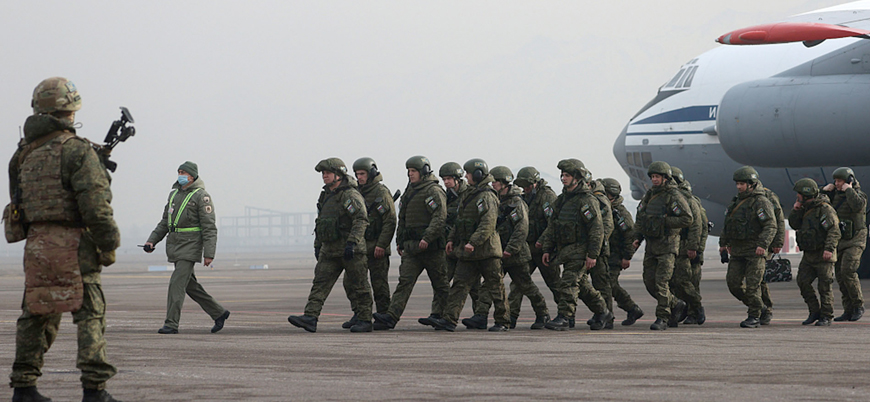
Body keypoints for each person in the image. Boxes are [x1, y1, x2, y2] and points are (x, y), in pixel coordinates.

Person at [9, 77, 122, 402]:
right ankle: (94, 389)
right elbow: (96, 206)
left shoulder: (23, 155)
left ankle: (24, 387)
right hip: (75, 246)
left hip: (38, 246)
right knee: (90, 313)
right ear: (70, 111)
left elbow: (19, 201)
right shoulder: (76, 151)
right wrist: (108, 243)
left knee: (36, 313)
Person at [288, 158, 373, 333]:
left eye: (327, 173)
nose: (324, 176)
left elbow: (361, 219)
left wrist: (352, 242)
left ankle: (365, 319)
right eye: (323, 173)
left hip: (351, 251)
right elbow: (321, 222)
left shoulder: (349, 195)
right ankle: (310, 317)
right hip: (330, 249)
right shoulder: (326, 195)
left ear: (338, 175)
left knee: (359, 286)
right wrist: (318, 244)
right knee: (320, 283)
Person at [145, 161, 229, 335]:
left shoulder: (201, 196)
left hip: (191, 246)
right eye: (179, 172)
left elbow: (209, 227)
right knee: (190, 285)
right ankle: (219, 312)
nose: (180, 175)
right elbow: (165, 222)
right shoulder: (174, 195)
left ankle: (171, 324)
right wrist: (152, 241)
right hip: (175, 244)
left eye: (184, 172)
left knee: (176, 283)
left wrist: (209, 253)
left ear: (192, 176)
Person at [462, 166, 550, 330]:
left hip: (515, 255)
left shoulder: (516, 203)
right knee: (489, 285)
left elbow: (521, 229)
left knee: (525, 285)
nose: (492, 184)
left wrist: (510, 249)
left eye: (495, 181)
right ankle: (481, 316)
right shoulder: (495, 200)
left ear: (504, 183)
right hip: (498, 252)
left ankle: (542, 313)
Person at [431, 159, 509, 331]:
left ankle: (502, 321)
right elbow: (460, 222)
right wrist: (452, 239)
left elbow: (488, 223)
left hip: (487, 251)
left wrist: (473, 242)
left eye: (468, 173)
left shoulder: (487, 196)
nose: (466, 176)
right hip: (469, 251)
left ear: (478, 174)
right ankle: (449, 319)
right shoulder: (470, 195)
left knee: (496, 287)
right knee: (459, 285)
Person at [373, 156, 449, 330]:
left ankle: (440, 315)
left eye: (413, 171)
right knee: (404, 282)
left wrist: (427, 238)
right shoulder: (410, 192)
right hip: (412, 248)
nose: (410, 174)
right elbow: (403, 218)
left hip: (432, 248)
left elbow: (439, 217)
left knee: (440, 284)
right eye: (409, 171)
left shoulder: (433, 191)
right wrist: (400, 241)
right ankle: (391, 317)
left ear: (423, 171)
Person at [541, 159, 612, 331]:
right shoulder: (561, 200)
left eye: (567, 175)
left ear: (577, 178)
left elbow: (597, 229)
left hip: (581, 250)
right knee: (583, 286)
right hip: (566, 250)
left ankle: (565, 317)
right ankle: (602, 311)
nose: (563, 178)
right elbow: (552, 226)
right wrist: (546, 248)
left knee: (569, 282)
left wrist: (593, 254)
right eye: (562, 175)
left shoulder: (587, 201)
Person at [632, 161, 693, 330]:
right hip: (651, 246)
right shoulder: (649, 195)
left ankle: (663, 317)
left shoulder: (673, 196)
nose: (654, 179)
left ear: (665, 178)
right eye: (652, 177)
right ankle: (676, 303)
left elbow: (687, 218)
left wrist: (664, 221)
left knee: (661, 282)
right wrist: (637, 237)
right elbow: (641, 218)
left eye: (657, 176)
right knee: (649, 281)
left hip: (667, 246)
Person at [340, 157, 396, 329]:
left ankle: (383, 316)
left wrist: (382, 244)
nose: (359, 177)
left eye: (362, 174)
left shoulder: (381, 192)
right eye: (357, 174)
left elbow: (390, 221)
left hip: (377, 246)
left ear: (371, 173)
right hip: (361, 247)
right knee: (351, 282)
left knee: (379, 284)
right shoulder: (356, 192)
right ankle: (359, 312)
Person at [718, 166, 776, 329]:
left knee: (753, 285)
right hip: (737, 250)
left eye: (742, 184)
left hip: (754, 251)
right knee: (733, 284)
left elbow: (770, 225)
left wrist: (763, 245)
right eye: (737, 184)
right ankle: (760, 308)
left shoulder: (760, 202)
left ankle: (754, 316)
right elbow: (728, 224)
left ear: (751, 184)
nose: (738, 187)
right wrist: (723, 244)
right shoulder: (736, 201)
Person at [512, 166, 561, 327]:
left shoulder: (547, 196)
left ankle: (566, 314)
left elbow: (552, 224)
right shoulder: (523, 198)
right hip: (528, 249)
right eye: (523, 186)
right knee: (519, 283)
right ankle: (511, 317)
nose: (525, 188)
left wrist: (543, 242)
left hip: (544, 249)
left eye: (527, 185)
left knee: (554, 283)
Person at [789, 178, 841, 326]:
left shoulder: (824, 209)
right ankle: (814, 311)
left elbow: (833, 230)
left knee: (824, 287)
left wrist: (829, 249)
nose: (797, 197)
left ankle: (827, 315)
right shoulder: (804, 208)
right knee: (803, 282)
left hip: (823, 254)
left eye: (799, 195)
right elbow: (794, 224)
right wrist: (796, 209)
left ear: (806, 195)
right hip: (809, 254)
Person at [822, 167, 867, 322]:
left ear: (849, 181)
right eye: (836, 181)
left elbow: (858, 206)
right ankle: (848, 309)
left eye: (840, 181)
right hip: (840, 240)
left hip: (855, 240)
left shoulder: (858, 195)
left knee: (848, 271)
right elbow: (821, 206)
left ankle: (858, 305)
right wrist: (825, 191)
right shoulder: (834, 196)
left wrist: (849, 189)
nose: (837, 184)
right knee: (840, 276)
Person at [438, 161, 481, 320]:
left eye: (449, 178)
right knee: (443, 281)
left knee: (473, 286)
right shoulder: (444, 196)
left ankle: (479, 315)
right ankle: (438, 314)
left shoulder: (468, 195)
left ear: (457, 179)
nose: (446, 182)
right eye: (444, 179)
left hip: (467, 246)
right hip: (451, 246)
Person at [600, 178, 644, 326]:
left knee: (608, 285)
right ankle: (631, 309)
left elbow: (629, 237)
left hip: (616, 256)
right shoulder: (603, 210)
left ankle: (609, 317)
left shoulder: (620, 213)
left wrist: (627, 257)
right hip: (605, 255)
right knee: (608, 285)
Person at [669, 167, 705, 325]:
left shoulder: (689, 201)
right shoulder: (669, 199)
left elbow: (697, 226)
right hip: (675, 247)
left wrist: (694, 248)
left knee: (687, 281)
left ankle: (695, 310)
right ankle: (685, 310)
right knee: (675, 282)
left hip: (688, 248)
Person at [757, 179, 786, 325]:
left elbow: (778, 220)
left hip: (764, 244)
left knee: (759, 278)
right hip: (749, 245)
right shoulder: (741, 198)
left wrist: (778, 242)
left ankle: (765, 309)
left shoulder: (768, 196)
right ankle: (759, 308)